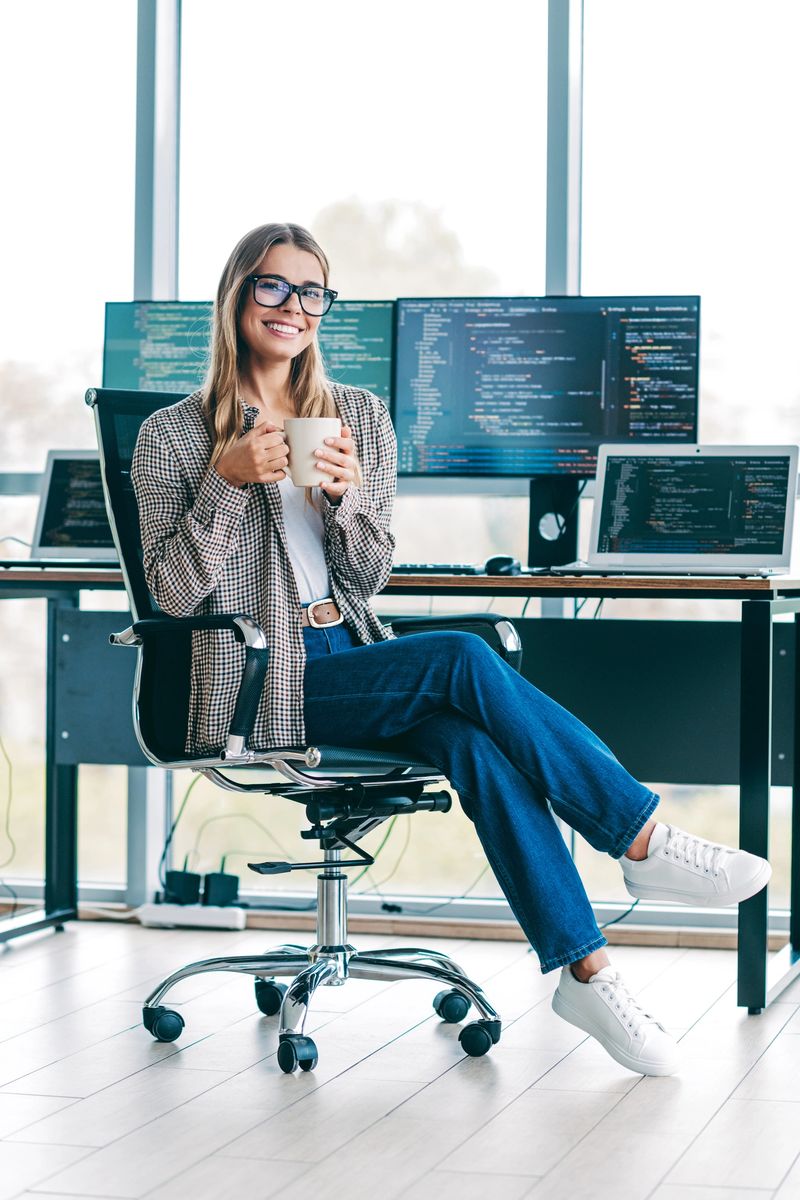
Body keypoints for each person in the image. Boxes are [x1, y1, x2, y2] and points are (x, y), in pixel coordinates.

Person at [132, 222, 772, 1078]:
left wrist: (344, 503)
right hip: (252, 685)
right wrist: (226, 478)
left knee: (477, 743)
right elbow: (169, 599)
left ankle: (590, 974)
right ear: (237, 295)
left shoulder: (356, 417)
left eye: (311, 291)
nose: (293, 306)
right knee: (465, 658)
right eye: (272, 286)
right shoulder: (173, 437)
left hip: (348, 662)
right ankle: (641, 838)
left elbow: (369, 576)